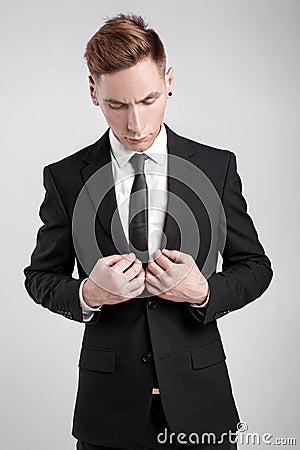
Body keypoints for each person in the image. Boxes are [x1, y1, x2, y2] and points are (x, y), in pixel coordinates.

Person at [24, 13, 273, 450]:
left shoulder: (216, 168)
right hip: (108, 413)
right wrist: (88, 295)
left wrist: (203, 292)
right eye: (117, 105)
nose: (136, 124)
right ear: (93, 92)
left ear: (169, 81)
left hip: (202, 405)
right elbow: (40, 278)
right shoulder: (65, 177)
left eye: (149, 99)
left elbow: (255, 267)